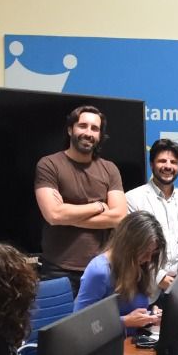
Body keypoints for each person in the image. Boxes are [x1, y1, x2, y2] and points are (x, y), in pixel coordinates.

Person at [33, 105, 128, 293]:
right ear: (70, 129)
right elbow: (53, 214)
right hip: (58, 269)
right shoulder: (49, 164)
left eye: (95, 128)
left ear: (100, 135)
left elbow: (119, 217)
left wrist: (69, 215)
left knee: (100, 323)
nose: (88, 132)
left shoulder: (110, 169)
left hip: (101, 268)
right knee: (60, 324)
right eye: (82, 126)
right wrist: (100, 206)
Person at [127, 137, 178, 290]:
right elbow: (131, 247)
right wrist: (159, 277)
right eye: (162, 161)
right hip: (145, 288)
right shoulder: (132, 199)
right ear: (151, 164)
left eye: (174, 162)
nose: (168, 166)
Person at [72, 209, 163, 334]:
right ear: (129, 246)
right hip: (105, 347)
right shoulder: (99, 271)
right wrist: (125, 321)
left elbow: (133, 311)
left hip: (131, 343)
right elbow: (80, 323)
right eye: (145, 252)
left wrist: (150, 315)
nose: (148, 259)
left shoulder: (139, 265)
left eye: (152, 253)